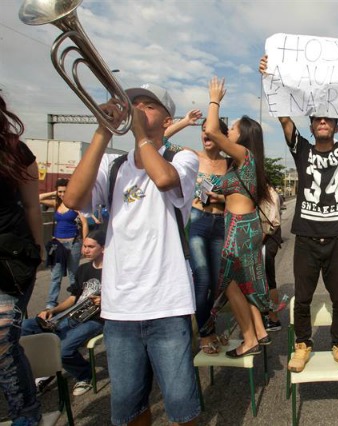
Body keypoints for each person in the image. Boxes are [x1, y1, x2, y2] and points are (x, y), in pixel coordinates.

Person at [63, 83, 200, 426]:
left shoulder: (182, 157)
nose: (137, 108)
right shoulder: (113, 165)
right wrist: (101, 131)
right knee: (127, 405)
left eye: (148, 105)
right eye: (132, 103)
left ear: (167, 120)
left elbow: (166, 180)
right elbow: (75, 199)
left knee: (182, 404)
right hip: (120, 306)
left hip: (167, 302)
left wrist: (141, 134)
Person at [259, 54, 338, 373]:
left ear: (334, 124)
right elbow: (285, 119)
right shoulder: (302, 149)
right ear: (313, 125)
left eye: (328, 118)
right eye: (317, 119)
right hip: (306, 242)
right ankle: (302, 344)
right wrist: (271, 78)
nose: (323, 121)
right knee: (302, 299)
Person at [200, 76, 273, 358]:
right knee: (243, 283)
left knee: (230, 284)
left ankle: (248, 339)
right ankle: (260, 331)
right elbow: (232, 194)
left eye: (232, 128)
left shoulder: (243, 154)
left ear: (242, 136)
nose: (227, 131)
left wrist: (214, 100)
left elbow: (212, 132)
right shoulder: (242, 162)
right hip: (242, 224)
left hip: (240, 229)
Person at [165, 110, 230, 354]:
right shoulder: (190, 156)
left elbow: (240, 196)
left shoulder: (229, 162)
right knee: (201, 279)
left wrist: (218, 197)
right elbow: (160, 140)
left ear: (223, 136)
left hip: (220, 222)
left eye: (211, 130)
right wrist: (185, 122)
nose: (205, 133)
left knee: (217, 283)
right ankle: (205, 334)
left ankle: (209, 327)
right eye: (203, 130)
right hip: (197, 221)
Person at [0, 93, 43, 425]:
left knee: (1, 340)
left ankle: (26, 415)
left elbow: (32, 206)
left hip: (9, 259)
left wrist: (38, 252)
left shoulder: (15, 150)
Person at [22, 229, 106, 396]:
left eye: (90, 247)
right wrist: (52, 310)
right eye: (84, 246)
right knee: (25, 327)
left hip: (96, 320)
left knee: (63, 349)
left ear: (103, 248)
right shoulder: (83, 269)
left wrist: (106, 301)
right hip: (73, 315)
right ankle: (46, 368)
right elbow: (73, 298)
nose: (85, 251)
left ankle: (85, 375)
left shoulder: (114, 271)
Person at [40, 178, 88, 309]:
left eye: (65, 191)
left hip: (73, 243)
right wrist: (53, 193)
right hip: (58, 245)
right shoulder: (55, 203)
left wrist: (85, 242)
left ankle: (75, 300)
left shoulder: (75, 204)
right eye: (60, 191)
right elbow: (38, 198)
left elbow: (84, 223)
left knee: (73, 274)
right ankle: (51, 303)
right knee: (56, 275)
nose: (62, 194)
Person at [262, 182, 284, 332]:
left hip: (267, 239)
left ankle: (274, 318)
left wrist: (259, 238)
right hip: (267, 238)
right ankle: (268, 315)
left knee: (269, 281)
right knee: (265, 280)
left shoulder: (269, 193)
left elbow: (272, 222)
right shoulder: (268, 192)